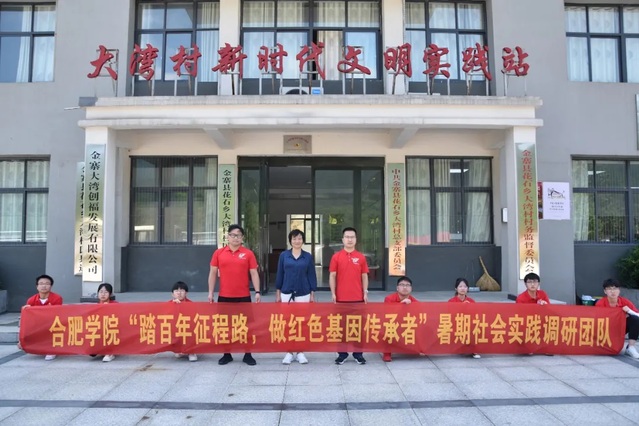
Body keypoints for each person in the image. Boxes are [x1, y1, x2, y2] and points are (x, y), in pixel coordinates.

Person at [208, 224, 260, 366]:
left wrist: (257, 291)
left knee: (247, 326)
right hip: (225, 296)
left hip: (243, 295)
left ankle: (248, 354)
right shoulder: (219, 253)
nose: (235, 238)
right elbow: (213, 273)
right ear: (228, 236)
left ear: (242, 238)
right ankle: (227, 354)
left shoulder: (248, 253)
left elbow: (254, 273)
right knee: (225, 326)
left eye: (238, 235)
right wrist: (211, 292)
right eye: (233, 235)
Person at [276, 229, 317, 365]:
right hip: (287, 292)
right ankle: (289, 352)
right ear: (290, 241)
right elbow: (280, 273)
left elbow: (311, 274)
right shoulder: (284, 255)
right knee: (288, 323)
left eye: (299, 238)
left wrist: (312, 292)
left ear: (303, 240)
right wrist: (278, 291)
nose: (297, 241)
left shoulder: (307, 256)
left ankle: (300, 352)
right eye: (294, 239)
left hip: (303, 292)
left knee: (301, 323)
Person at [330, 227, 369, 365]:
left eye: (352, 237)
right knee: (341, 328)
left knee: (358, 327)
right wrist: (333, 293)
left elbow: (364, 276)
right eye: (347, 237)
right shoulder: (336, 256)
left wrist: (365, 292)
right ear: (343, 239)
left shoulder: (361, 257)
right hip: (341, 298)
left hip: (358, 298)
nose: (350, 239)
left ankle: (358, 354)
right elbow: (332, 275)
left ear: (356, 239)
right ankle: (342, 354)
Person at [21, 274, 63, 361]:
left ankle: (51, 350)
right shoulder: (31, 300)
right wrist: (25, 310)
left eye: (47, 284)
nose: (44, 286)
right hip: (37, 323)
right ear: (37, 286)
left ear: (51, 286)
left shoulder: (57, 298)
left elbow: (57, 313)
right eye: (41, 284)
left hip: (51, 322)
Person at [595, 279, 639, 359]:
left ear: (619, 290)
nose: (613, 291)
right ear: (605, 291)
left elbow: (637, 315)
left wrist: (629, 311)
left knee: (635, 319)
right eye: (609, 289)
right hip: (606, 330)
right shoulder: (600, 303)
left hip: (620, 328)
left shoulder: (625, 302)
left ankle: (630, 347)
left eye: (615, 288)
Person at [382, 276, 418, 362]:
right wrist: (401, 305)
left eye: (407, 285)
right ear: (397, 288)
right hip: (393, 322)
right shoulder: (389, 298)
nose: (405, 287)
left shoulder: (414, 301)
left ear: (411, 288)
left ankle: (418, 347)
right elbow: (388, 314)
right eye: (402, 285)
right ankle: (387, 353)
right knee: (389, 327)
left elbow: (420, 314)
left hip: (406, 323)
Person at [448, 278, 480, 359]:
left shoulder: (471, 301)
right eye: (460, 286)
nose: (463, 288)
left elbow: (475, 315)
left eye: (465, 287)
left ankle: (473, 350)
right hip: (456, 325)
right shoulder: (451, 301)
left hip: (468, 325)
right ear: (456, 288)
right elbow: (449, 316)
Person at [170, 281, 198, 362]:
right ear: (172, 294)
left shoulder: (191, 304)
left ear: (186, 293)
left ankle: (191, 352)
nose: (179, 293)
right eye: (176, 291)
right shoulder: (168, 304)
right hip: (176, 328)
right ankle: (178, 349)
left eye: (182, 291)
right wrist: (173, 305)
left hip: (188, 328)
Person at [96, 283, 117, 362]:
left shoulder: (115, 305)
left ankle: (110, 353)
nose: (103, 294)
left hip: (111, 330)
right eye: (101, 292)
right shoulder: (94, 307)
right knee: (92, 352)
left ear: (110, 294)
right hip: (99, 330)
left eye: (106, 292)